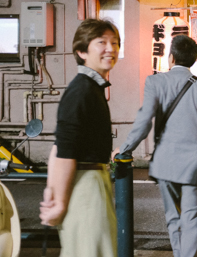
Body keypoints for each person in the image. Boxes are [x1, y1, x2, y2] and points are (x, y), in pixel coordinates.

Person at [112, 35, 197, 257]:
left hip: (166, 165)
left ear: (171, 57)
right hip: (195, 166)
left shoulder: (155, 82)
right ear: (193, 60)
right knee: (192, 221)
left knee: (173, 219)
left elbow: (144, 122)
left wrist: (124, 148)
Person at [39, 18, 120, 256]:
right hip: (86, 186)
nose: (111, 48)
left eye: (115, 42)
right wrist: (59, 201)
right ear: (82, 51)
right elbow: (64, 151)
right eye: (101, 42)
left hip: (91, 182)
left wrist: (52, 192)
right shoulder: (82, 90)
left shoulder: (90, 87)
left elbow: (59, 146)